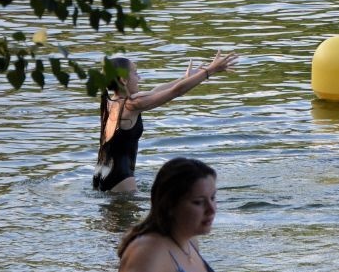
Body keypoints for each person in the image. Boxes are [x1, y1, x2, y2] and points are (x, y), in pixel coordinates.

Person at [94, 52, 238, 193]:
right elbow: (176, 92)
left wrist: (185, 78)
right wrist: (210, 70)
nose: (139, 78)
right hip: (121, 180)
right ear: (123, 80)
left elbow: (155, 91)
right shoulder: (132, 105)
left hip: (101, 175)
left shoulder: (110, 102)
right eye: (135, 73)